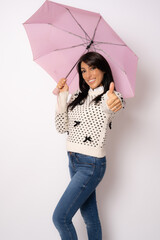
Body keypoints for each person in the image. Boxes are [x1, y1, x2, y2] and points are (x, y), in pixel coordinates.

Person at [52, 51, 125, 240]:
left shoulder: (111, 96)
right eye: (83, 70)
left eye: (93, 68)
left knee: (60, 218)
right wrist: (63, 96)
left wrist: (113, 101)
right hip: (73, 161)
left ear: (103, 69)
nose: (88, 74)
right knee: (89, 216)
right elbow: (62, 127)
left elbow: (113, 106)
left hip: (91, 164)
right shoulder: (78, 96)